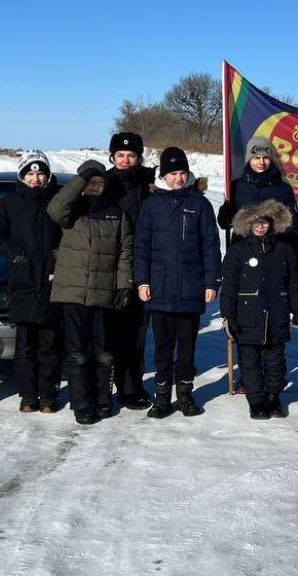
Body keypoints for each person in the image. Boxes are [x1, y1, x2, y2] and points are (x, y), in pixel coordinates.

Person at [134, 146, 222, 419]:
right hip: (159, 288)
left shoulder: (200, 204)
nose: (179, 178)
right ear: (164, 175)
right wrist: (142, 281)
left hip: (190, 288)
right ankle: (162, 398)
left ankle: (185, 395)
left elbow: (210, 245)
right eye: (173, 173)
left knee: (187, 347)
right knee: (162, 347)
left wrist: (211, 282)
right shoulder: (152, 205)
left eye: (183, 172)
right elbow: (141, 246)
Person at [48, 159, 134, 425]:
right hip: (72, 294)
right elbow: (54, 208)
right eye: (90, 182)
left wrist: (123, 284)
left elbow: (125, 251)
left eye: (99, 181)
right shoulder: (72, 211)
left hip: (103, 293)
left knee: (104, 353)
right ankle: (82, 403)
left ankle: (103, 399)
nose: (95, 186)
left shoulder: (116, 213)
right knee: (77, 353)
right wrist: (81, 179)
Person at [0, 151, 64, 414]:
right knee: (24, 347)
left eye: (40, 173)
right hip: (22, 283)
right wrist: (14, 253)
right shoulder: (10, 203)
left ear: (47, 176)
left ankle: (48, 396)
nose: (35, 178)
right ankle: (28, 396)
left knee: (50, 346)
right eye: (30, 173)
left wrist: (59, 253)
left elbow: (69, 231)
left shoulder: (56, 201)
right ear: (22, 176)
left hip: (52, 283)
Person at [220, 199, 298, 420]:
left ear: (272, 223)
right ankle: (256, 400)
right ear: (248, 224)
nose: (260, 226)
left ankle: (273, 397)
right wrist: (227, 315)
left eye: (265, 222)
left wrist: (297, 308)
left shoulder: (284, 248)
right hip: (247, 316)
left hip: (276, 313)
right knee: (249, 362)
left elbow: (292, 282)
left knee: (275, 360)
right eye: (255, 222)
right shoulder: (237, 250)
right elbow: (229, 285)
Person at [102, 132, 156, 411]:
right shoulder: (103, 183)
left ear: (138, 157)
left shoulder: (150, 184)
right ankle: (104, 388)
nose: (125, 160)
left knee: (136, 333)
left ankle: (132, 387)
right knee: (109, 334)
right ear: (112, 157)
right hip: (108, 269)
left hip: (141, 267)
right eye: (120, 155)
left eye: (131, 155)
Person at [217, 136, 298, 250]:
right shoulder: (236, 186)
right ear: (249, 159)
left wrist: (291, 255)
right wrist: (225, 213)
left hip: (274, 254)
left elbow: (292, 226)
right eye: (256, 157)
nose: (261, 162)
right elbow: (224, 223)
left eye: (265, 157)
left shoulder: (283, 188)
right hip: (242, 254)